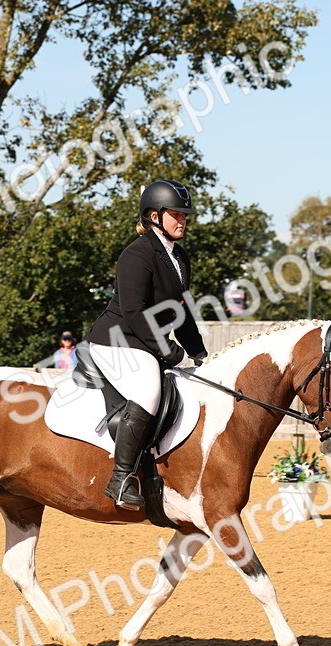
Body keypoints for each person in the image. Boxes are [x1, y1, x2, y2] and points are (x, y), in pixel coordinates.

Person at [85, 179, 209, 510]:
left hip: (143, 341)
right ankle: (121, 478)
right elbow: (134, 311)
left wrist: (198, 352)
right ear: (154, 216)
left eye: (185, 215)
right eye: (176, 214)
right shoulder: (136, 255)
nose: (183, 220)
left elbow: (181, 312)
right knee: (149, 390)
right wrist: (165, 350)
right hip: (117, 340)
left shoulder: (179, 256)